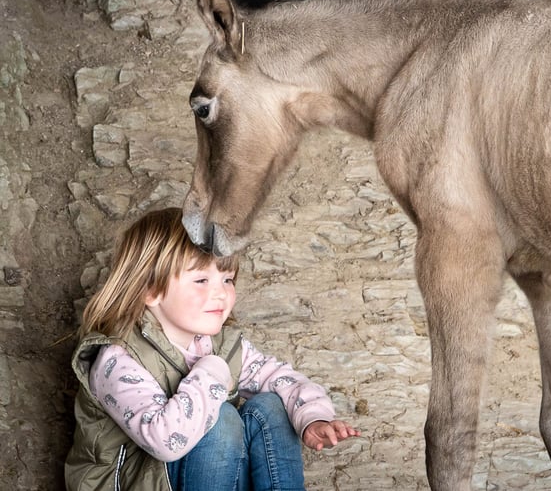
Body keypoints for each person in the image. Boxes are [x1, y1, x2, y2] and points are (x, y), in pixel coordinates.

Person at [65, 207, 360, 491]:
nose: (220, 293)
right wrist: (211, 370)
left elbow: (279, 376)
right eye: (202, 280)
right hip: (143, 482)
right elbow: (165, 442)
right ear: (151, 290)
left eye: (227, 279)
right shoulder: (119, 359)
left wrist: (313, 417)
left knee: (271, 404)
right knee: (221, 420)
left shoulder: (219, 343)